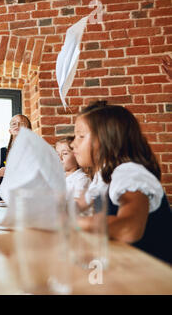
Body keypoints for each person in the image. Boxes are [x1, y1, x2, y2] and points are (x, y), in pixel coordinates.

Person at [71, 102, 172, 263]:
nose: (72, 144)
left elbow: (129, 228)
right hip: (127, 265)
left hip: (156, 276)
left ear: (106, 140)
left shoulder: (128, 173)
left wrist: (72, 223)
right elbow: (78, 205)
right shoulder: (102, 177)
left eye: (81, 136)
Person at [0, 114, 32, 186]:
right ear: (10, 131)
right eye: (14, 124)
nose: (17, 125)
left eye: (22, 124)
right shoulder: (2, 151)